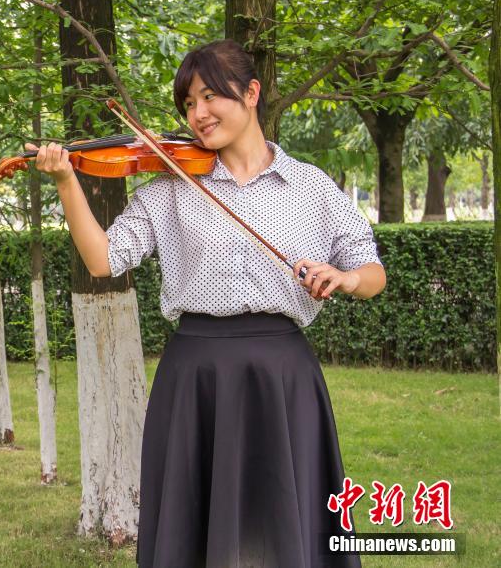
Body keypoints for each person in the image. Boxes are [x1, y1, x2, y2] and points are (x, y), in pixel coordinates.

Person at [27, 39, 385, 567]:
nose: (198, 114)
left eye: (210, 97)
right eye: (189, 103)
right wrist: (66, 181)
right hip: (196, 373)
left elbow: (372, 271)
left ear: (252, 93)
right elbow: (104, 259)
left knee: (283, 529)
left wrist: (346, 278)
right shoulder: (170, 187)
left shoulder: (310, 186)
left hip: (282, 375)